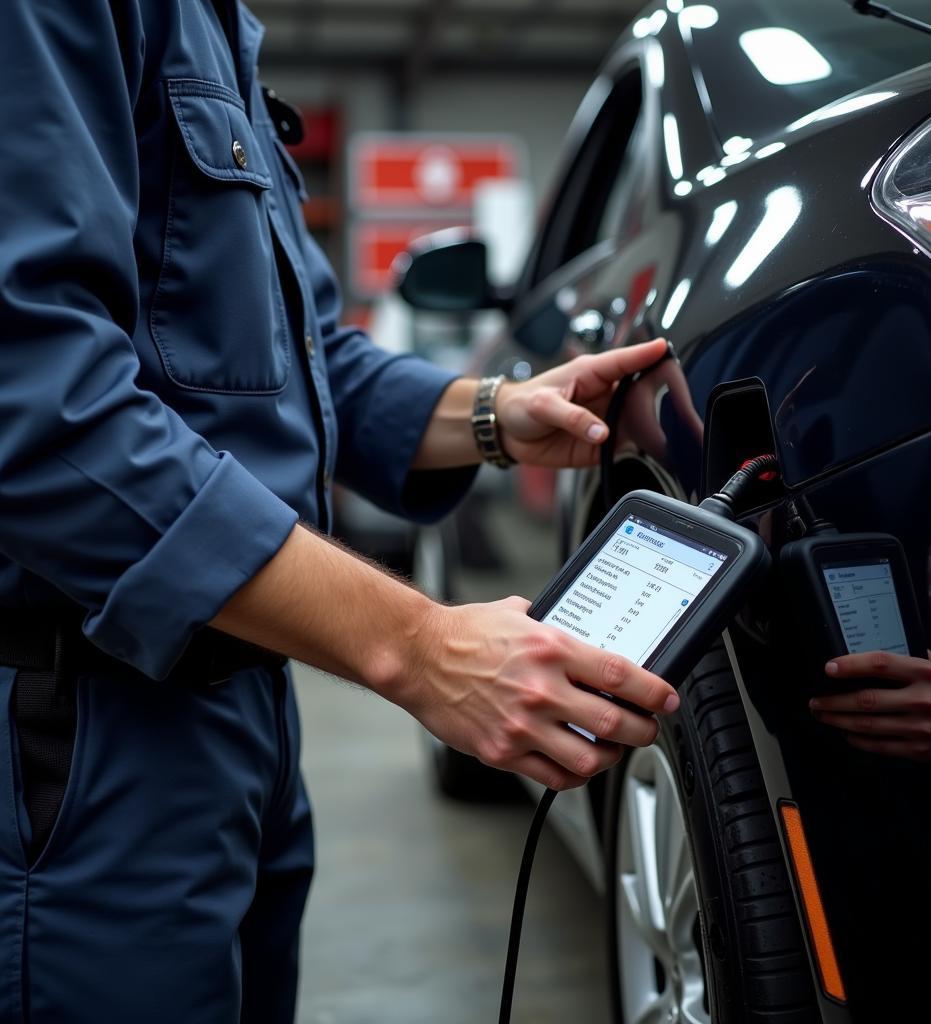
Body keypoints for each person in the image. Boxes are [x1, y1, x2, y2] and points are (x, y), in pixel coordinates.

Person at [0, 2, 680, 1021]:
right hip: (89, 717)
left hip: (244, 712)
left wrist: (496, 413)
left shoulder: (214, 28)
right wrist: (418, 646)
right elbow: (40, 410)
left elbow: (308, 360)